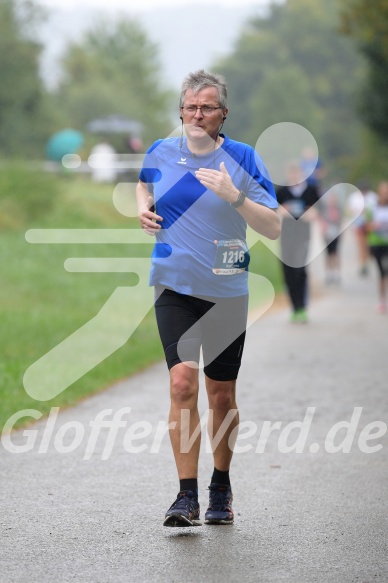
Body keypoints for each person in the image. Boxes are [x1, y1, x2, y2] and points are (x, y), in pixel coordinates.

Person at [136, 70, 280, 527]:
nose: (198, 114)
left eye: (208, 107)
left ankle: (221, 483)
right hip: (173, 286)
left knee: (221, 394)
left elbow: (275, 226)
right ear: (181, 111)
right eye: (191, 107)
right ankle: (186, 496)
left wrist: (234, 196)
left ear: (224, 114)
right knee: (182, 384)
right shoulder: (162, 150)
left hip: (225, 292)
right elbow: (144, 181)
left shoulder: (243, 157)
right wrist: (143, 205)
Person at [276, 163, 320, 323]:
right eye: (291, 173)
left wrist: (311, 213)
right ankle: (294, 307)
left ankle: (302, 306)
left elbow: (317, 209)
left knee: (300, 270)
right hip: (287, 235)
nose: (294, 176)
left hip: (303, 235)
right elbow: (273, 208)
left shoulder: (310, 190)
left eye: (297, 173)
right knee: (288, 270)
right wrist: (281, 210)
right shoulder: (282, 191)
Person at [346, 179, 378, 276]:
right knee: (361, 246)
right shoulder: (354, 197)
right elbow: (349, 210)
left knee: (369, 246)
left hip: (369, 225)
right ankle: (363, 265)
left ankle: (366, 262)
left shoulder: (373, 197)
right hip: (358, 224)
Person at [365, 181, 388, 313]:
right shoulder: (372, 207)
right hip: (377, 243)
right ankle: (382, 300)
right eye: (383, 191)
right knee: (382, 273)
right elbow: (367, 226)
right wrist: (374, 226)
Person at [318, 188, 343, 285]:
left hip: (336, 233)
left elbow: (340, 221)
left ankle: (336, 273)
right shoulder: (325, 209)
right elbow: (322, 221)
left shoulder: (338, 209)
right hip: (327, 234)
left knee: (335, 253)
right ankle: (329, 273)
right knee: (328, 254)